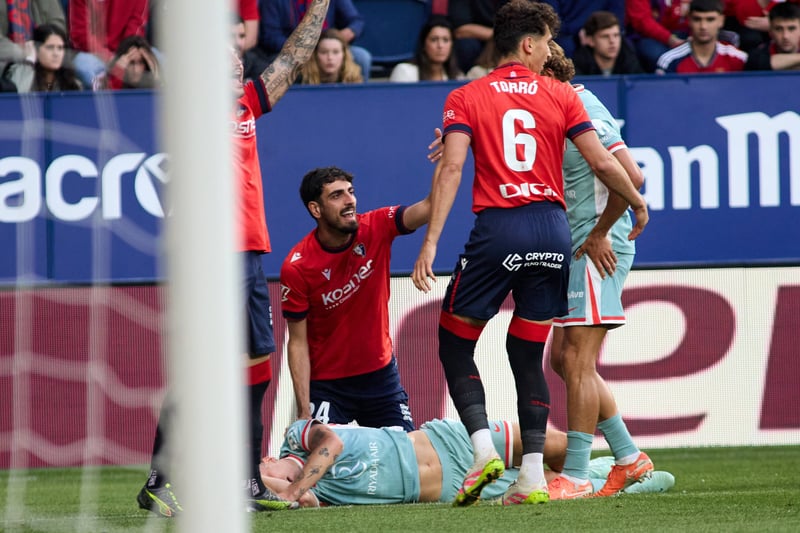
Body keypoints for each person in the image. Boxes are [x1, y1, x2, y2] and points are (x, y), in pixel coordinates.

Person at [411, 0, 648, 507]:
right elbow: (603, 162)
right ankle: (534, 478)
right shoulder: (560, 94)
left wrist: (430, 242)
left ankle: (483, 453)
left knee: (455, 343)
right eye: (544, 42)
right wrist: (637, 200)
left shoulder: (467, 94)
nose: (548, 51)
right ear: (527, 43)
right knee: (531, 354)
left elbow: (452, 169)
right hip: (554, 233)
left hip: (501, 229)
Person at [136, 0, 332, 518]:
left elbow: (292, 59)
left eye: (238, 55)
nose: (236, 61)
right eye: (223, 56)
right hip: (213, 258)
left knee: (256, 371)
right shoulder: (194, 111)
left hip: (248, 257)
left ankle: (247, 482)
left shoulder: (245, 103)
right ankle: (158, 480)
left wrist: (319, 6)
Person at [538, 41, 652, 500]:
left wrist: (603, 231)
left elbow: (632, 178)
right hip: (579, 243)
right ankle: (629, 457)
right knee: (561, 361)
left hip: (596, 245)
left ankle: (578, 474)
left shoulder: (580, 105)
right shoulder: (569, 103)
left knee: (577, 361)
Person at [279, 165, 431, 430]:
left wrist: (449, 163)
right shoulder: (297, 266)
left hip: (381, 378)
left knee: (408, 451)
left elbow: (429, 207)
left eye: (350, 192)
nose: (349, 200)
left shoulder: (377, 225)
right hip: (328, 386)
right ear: (316, 209)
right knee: (319, 452)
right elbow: (298, 343)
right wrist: (303, 412)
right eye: (336, 195)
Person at [259, 418, 676, 506]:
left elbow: (331, 442)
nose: (265, 482)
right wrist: (280, 491)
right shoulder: (312, 497)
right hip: (450, 489)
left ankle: (603, 465)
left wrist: (290, 487)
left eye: (259, 473)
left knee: (555, 445)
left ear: (267, 457)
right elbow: (290, 499)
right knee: (550, 494)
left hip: (451, 441)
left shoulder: (297, 435)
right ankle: (622, 483)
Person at [254, 0, 372, 81]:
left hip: (326, 46)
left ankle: (360, 98)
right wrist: (302, 50)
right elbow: (271, 36)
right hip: (291, 51)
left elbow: (356, 21)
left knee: (362, 57)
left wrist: (348, 32)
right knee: (277, 65)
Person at [68, 0, 151, 88]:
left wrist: (126, 54)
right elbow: (80, 34)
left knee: (159, 59)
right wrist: (110, 58)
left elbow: (136, 24)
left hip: (126, 51)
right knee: (84, 65)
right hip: (94, 54)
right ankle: (102, 90)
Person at [656, 0, 748, 74]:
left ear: (721, 21)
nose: (703, 26)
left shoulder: (738, 59)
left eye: (710, 19)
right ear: (689, 20)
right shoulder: (669, 61)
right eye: (697, 19)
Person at [2, 23, 82, 92]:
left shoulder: (71, 82)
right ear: (36, 49)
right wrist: (29, 62)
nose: (56, 53)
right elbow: (19, 98)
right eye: (50, 47)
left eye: (60, 48)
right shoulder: (21, 70)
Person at [539, 0, 626, 59]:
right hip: (565, 35)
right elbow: (550, 20)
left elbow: (616, 17)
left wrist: (594, 31)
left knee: (621, 43)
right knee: (563, 46)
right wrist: (580, 31)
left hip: (599, 30)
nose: (612, 41)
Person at [0, 0, 66, 76]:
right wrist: (22, 52)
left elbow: (58, 25)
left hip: (41, 47)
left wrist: (39, 46)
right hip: (8, 54)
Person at [390, 15, 463, 82]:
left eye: (445, 40)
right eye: (434, 40)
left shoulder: (458, 77)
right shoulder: (405, 71)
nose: (440, 46)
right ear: (423, 44)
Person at [572, 11, 644, 76]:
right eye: (605, 36)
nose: (612, 41)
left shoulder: (629, 60)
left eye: (616, 35)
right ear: (591, 41)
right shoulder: (578, 65)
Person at [626, 0, 690, 72]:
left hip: (683, 33)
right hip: (647, 37)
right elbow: (642, 21)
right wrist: (670, 38)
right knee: (663, 59)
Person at [448, 0, 507, 74]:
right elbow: (460, 30)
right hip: (477, 43)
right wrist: (500, 34)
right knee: (467, 45)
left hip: (504, 39)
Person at [745, 2, 800, 70]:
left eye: (791, 29)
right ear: (770, 31)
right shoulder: (758, 54)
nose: (785, 36)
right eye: (778, 29)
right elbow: (762, 64)